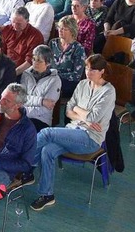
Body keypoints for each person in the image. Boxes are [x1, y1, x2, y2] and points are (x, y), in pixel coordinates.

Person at [31, 55, 115, 211]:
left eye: (92, 70)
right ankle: (47, 195)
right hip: (73, 131)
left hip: (90, 139)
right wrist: (83, 116)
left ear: (102, 71)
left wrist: (79, 112)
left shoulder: (108, 92)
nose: (88, 72)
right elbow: (68, 109)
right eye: (87, 68)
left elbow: (93, 116)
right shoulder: (83, 84)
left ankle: (27, 166)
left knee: (46, 133)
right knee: (47, 150)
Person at [20, 46, 62, 131]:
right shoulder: (26, 74)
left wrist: (23, 111)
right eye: (34, 59)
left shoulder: (55, 80)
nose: (35, 63)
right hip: (21, 114)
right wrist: (41, 101)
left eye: (39, 61)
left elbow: (46, 108)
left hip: (41, 119)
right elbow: (21, 97)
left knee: (23, 131)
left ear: (48, 63)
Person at [49, 16, 86, 98]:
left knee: (49, 87)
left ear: (72, 31)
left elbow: (77, 76)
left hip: (68, 82)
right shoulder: (53, 43)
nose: (60, 31)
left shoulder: (78, 48)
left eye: (64, 29)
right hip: (50, 78)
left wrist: (56, 75)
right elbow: (46, 63)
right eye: (59, 28)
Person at [1, 7, 44, 76]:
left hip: (23, 72)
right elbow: (0, 51)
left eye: (19, 24)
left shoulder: (35, 36)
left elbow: (30, 62)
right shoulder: (7, 29)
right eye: (13, 22)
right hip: (5, 67)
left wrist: (12, 74)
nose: (15, 26)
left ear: (27, 21)